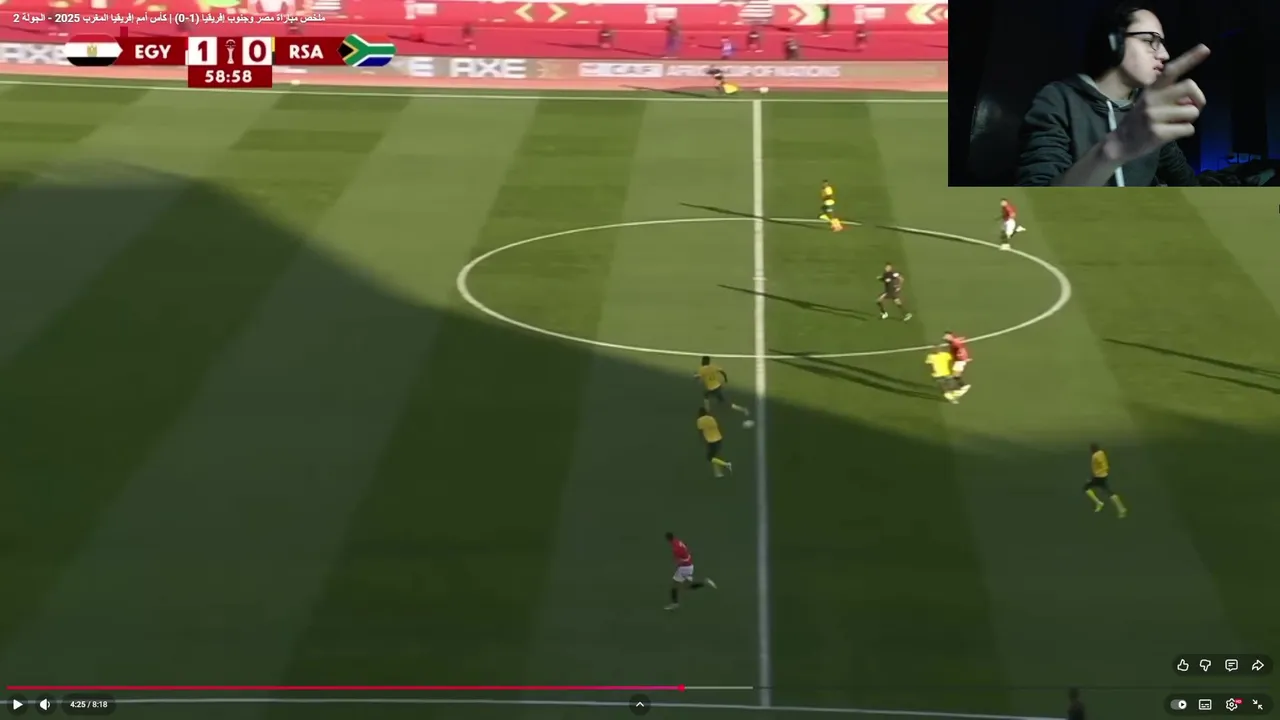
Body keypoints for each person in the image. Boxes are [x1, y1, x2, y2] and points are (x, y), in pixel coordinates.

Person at [1016, 3, 1209, 187]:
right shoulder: (1058, 99)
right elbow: (1038, 201)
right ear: (1114, 41)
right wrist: (1118, 145)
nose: (1164, 54)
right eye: (1150, 40)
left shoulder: (1147, 110)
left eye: (1162, 43)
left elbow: (1187, 184)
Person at [664, 532, 716, 610]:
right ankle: (705, 582)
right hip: (689, 566)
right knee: (686, 586)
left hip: (684, 568)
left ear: (668, 539)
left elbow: (678, 560)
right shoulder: (678, 541)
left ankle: (675, 603)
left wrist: (677, 564)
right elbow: (686, 549)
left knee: (676, 586)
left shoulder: (675, 549)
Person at [1085, 443, 1128, 518]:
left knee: (1086, 488)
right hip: (1104, 476)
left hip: (1098, 477)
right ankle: (1121, 508)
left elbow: (1099, 467)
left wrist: (1093, 476)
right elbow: (1105, 465)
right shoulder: (1101, 452)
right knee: (1109, 493)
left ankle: (1099, 503)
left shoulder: (1095, 456)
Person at [696, 408, 733, 478]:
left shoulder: (699, 420)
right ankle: (719, 472)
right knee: (716, 455)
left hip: (711, 441)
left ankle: (726, 464)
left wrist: (702, 440)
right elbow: (717, 427)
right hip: (719, 438)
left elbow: (700, 431)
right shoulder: (711, 418)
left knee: (710, 457)